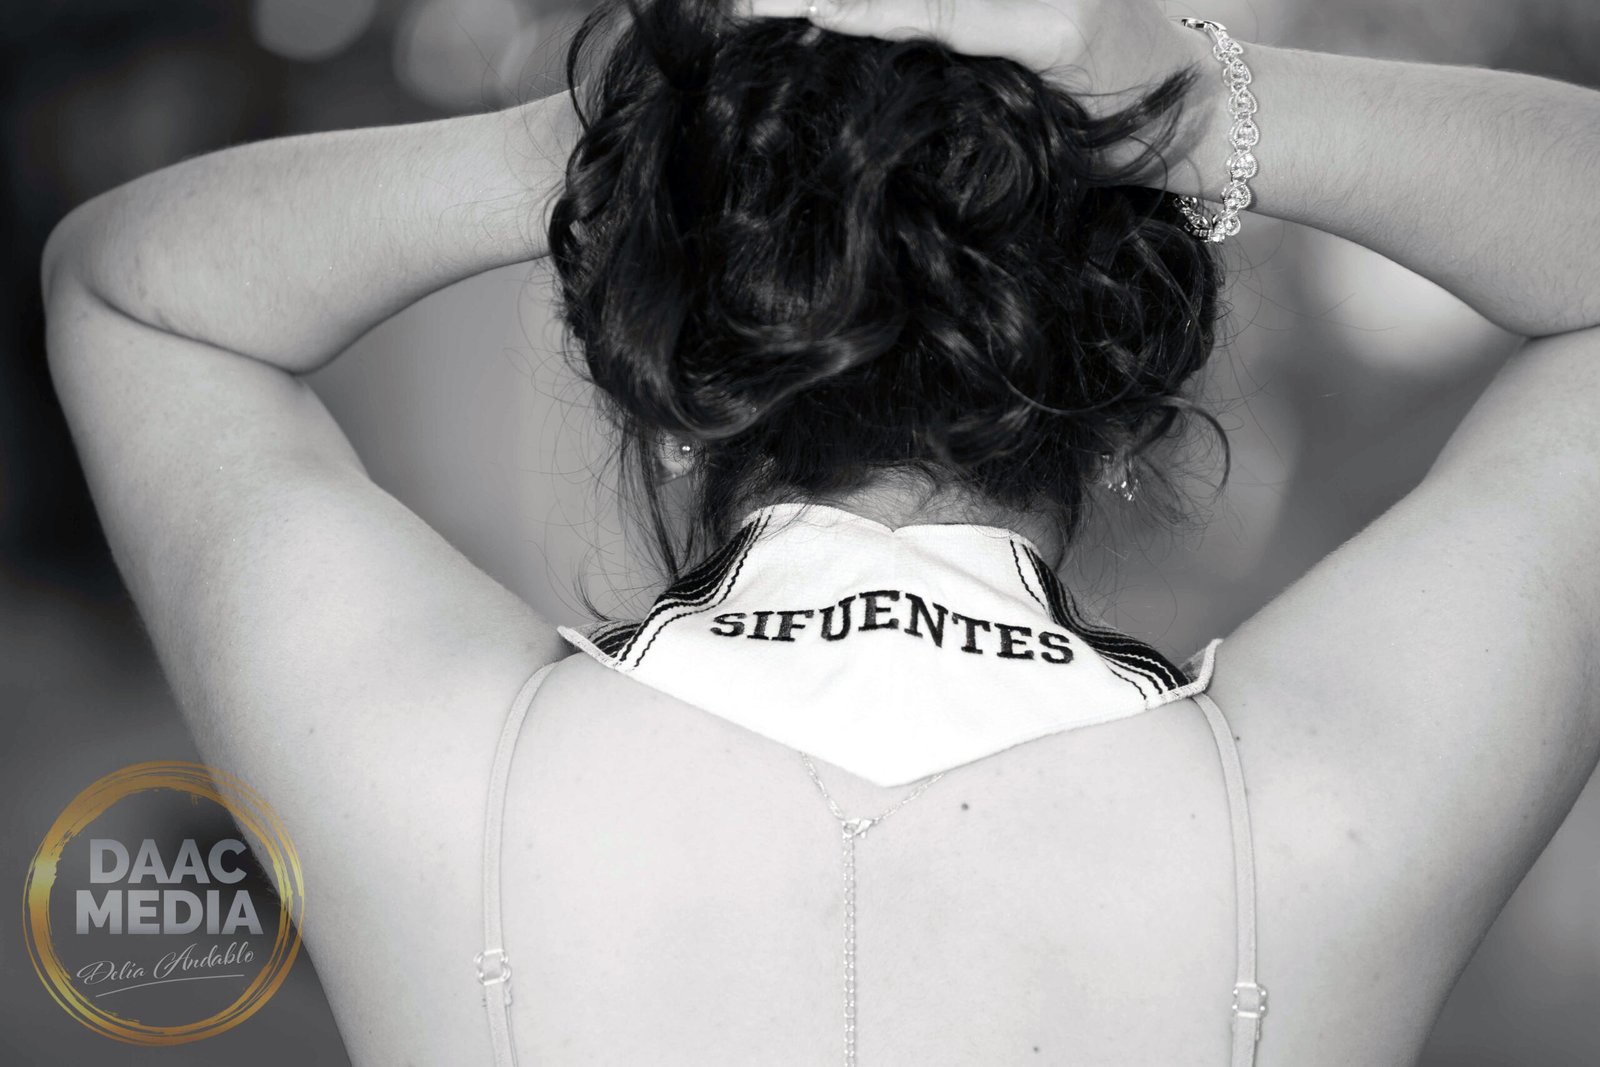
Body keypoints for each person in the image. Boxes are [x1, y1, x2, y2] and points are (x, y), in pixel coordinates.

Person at [40, 0, 1600, 1062]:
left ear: (667, 391)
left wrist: (624, 152)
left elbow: (132, 292)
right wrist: (1191, 97)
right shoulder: (1312, 819)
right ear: (1125, 415)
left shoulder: (438, 777)